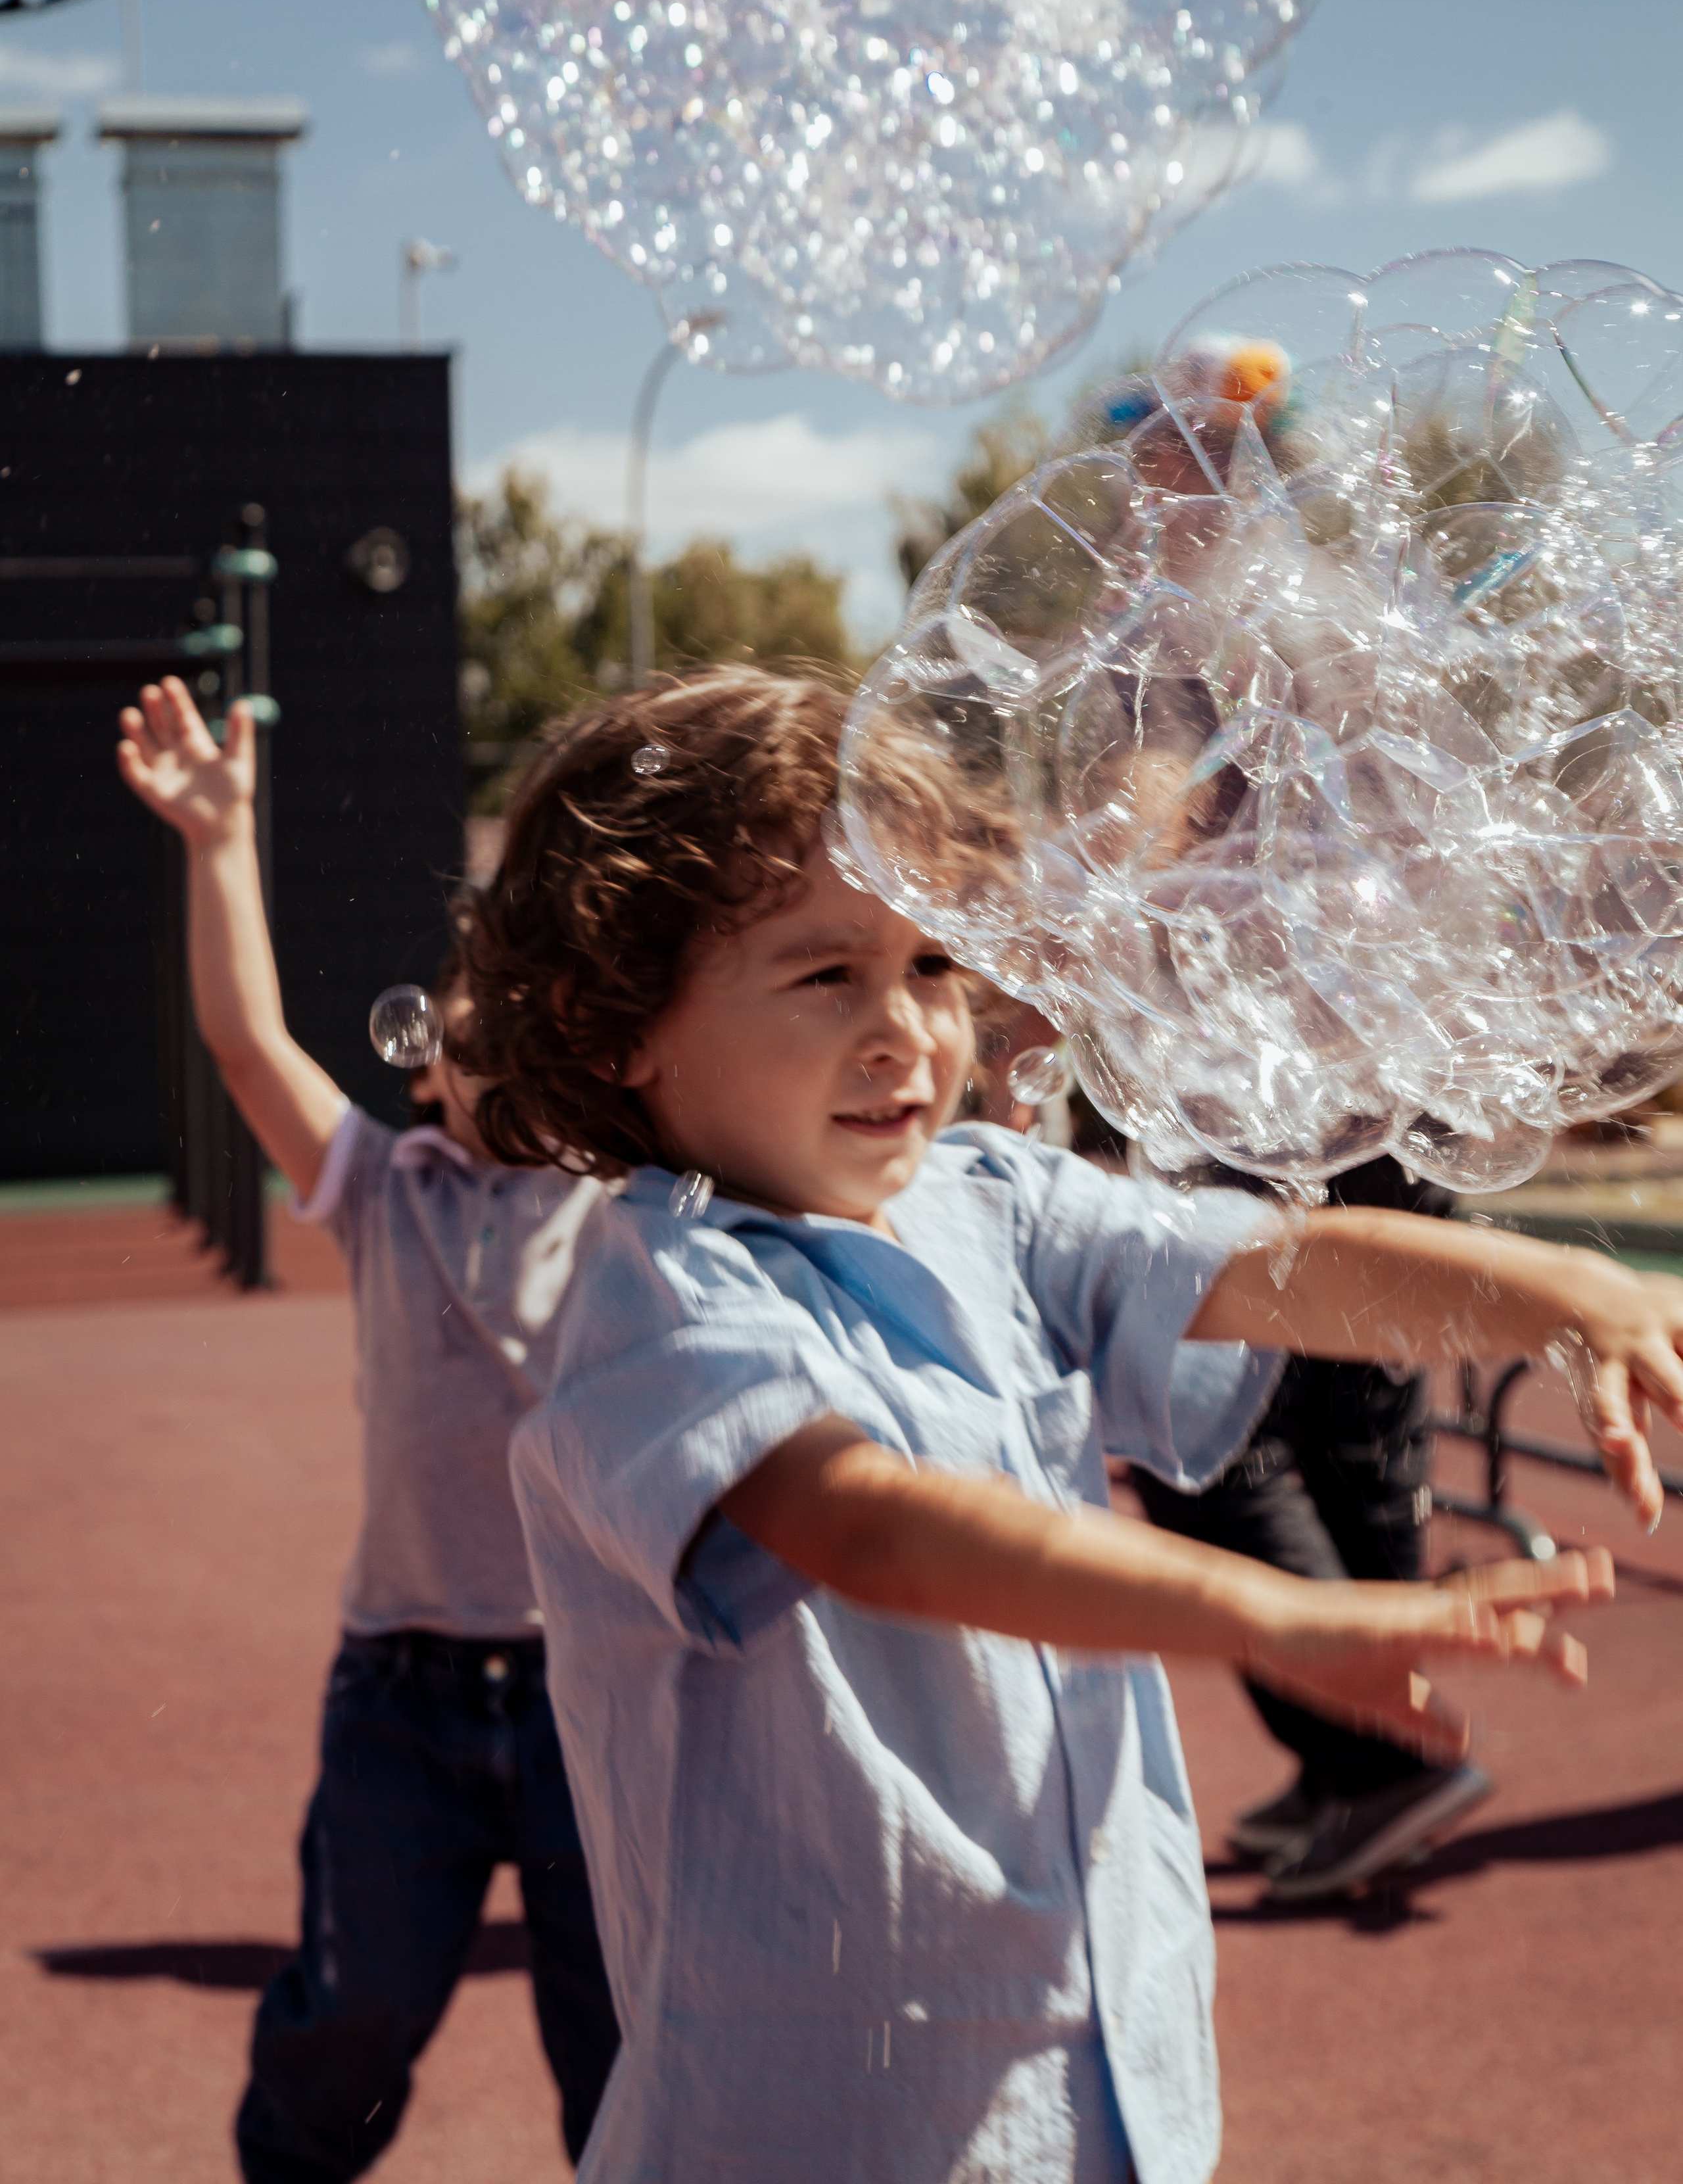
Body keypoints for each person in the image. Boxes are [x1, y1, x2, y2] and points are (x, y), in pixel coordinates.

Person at [456, 666, 1679, 2184]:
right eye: (823, 973)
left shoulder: (990, 1200)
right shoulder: (657, 1293)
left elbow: (1265, 1267)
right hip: (828, 2119)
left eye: (929, 965)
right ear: (618, 1021)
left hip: (1101, 2078)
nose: (904, 1027)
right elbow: (867, 1525)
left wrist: (1557, 1289)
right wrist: (1272, 1612)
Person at [115, 675, 619, 2184]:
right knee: (353, 2013)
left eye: (536, 1013)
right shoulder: (388, 1191)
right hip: (401, 1690)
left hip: (595, 1688)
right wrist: (218, 841)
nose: (498, 1025)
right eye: (473, 1010)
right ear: (426, 1068)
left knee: (620, 2033)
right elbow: (248, 1039)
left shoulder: (622, 1205)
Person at [1128, 1156, 1477, 1901]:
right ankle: (1351, 1764)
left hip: (1291, 1150)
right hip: (1333, 1141)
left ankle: (1375, 1762)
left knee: (1206, 1447)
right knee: (1349, 1436)